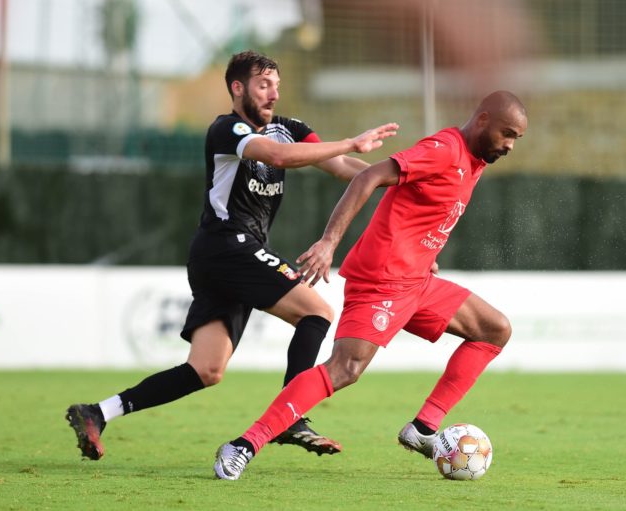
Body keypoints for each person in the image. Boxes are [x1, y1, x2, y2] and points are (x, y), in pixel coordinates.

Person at [65, 50, 398, 460]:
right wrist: (349, 140)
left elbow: (345, 166)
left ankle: (97, 412)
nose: (274, 94)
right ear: (237, 88)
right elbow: (278, 157)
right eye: (263, 85)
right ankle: (290, 415)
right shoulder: (227, 129)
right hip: (226, 246)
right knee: (316, 313)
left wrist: (396, 176)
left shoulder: (291, 128)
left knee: (206, 370)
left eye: (277, 85)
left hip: (224, 256)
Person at [213, 90, 528, 480]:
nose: (510, 145)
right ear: (482, 120)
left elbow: (418, 206)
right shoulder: (445, 149)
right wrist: (329, 242)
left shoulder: (475, 161)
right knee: (344, 369)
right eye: (507, 133)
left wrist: (425, 254)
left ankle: (424, 428)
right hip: (383, 281)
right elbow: (370, 175)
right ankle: (243, 445)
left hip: (418, 281)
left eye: (516, 138)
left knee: (494, 330)